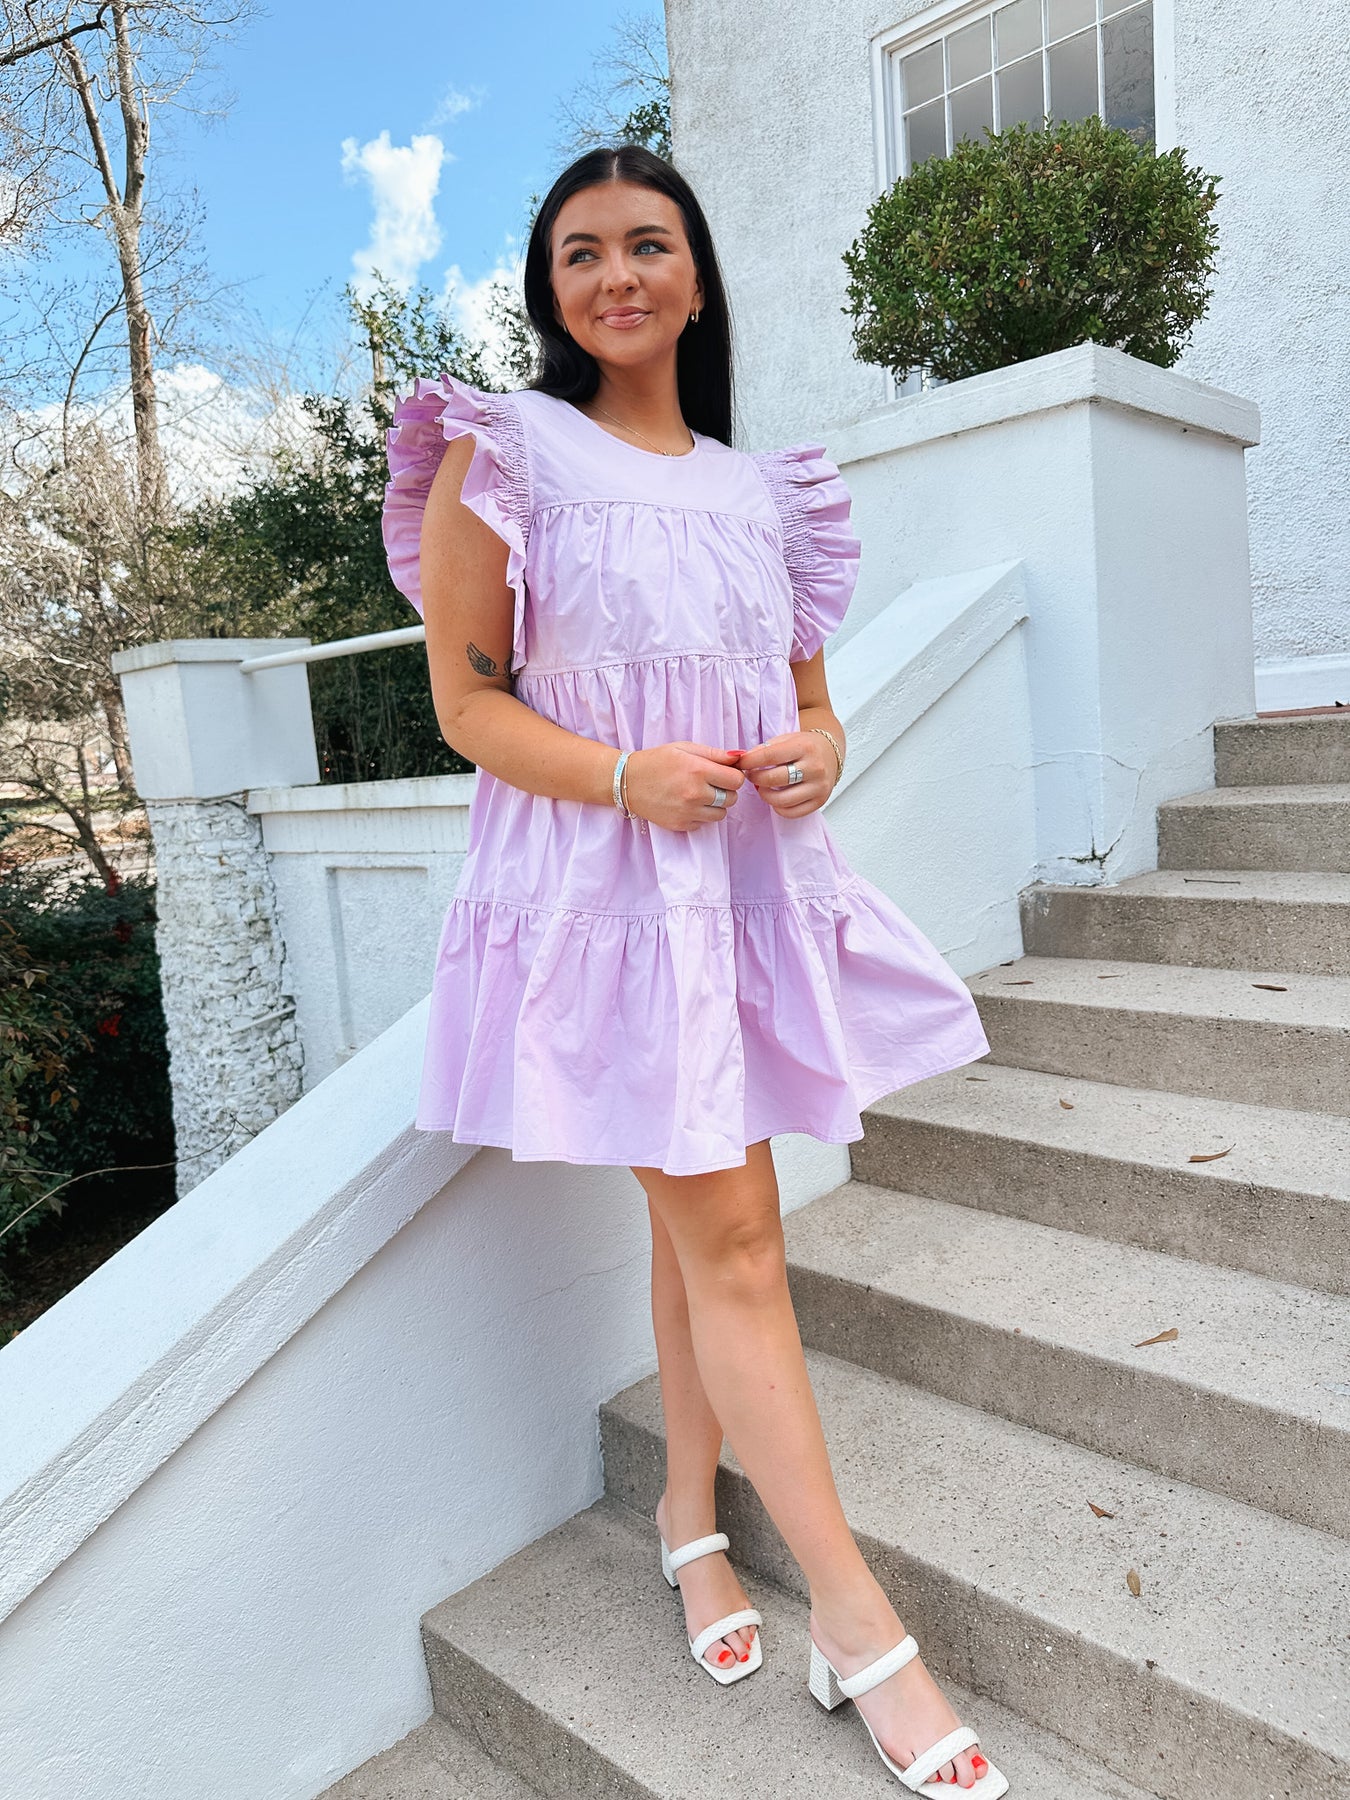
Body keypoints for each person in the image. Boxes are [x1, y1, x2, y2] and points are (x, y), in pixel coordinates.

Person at [381, 144, 1003, 1796]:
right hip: (604, 893)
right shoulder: (504, 454)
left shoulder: (760, 490)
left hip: (735, 890)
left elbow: (811, 703)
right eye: (579, 252)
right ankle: (858, 1627)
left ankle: (685, 1521)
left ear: (697, 274)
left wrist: (818, 753)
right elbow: (466, 704)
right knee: (732, 1236)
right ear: (549, 289)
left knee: (705, 1221)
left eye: (646, 244)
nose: (616, 276)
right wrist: (619, 774)